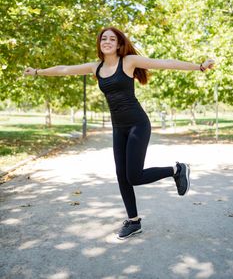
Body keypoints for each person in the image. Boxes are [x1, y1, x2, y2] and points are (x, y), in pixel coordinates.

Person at [24, 26, 215, 240]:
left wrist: (199, 67)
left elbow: (165, 63)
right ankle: (133, 222)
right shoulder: (96, 67)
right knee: (121, 176)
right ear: (99, 44)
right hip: (119, 128)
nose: (106, 41)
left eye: (111, 39)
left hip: (138, 125)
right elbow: (64, 69)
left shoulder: (129, 62)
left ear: (118, 44)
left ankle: (177, 169)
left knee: (134, 176)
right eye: (103, 38)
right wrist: (38, 72)